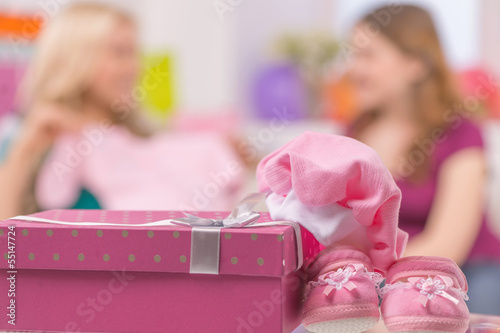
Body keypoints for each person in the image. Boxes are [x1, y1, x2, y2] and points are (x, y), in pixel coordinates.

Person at [0, 3, 243, 220]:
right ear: (76, 58)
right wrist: (24, 151)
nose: (135, 66)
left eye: (135, 53)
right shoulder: (28, 135)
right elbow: (5, 239)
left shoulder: (140, 134)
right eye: (120, 53)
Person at [348, 4, 500, 315]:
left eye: (368, 56)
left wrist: (367, 277)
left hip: (467, 271)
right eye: (353, 55)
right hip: (376, 277)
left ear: (415, 64)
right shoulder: (355, 131)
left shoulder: (462, 134)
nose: (353, 69)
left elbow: (448, 245)